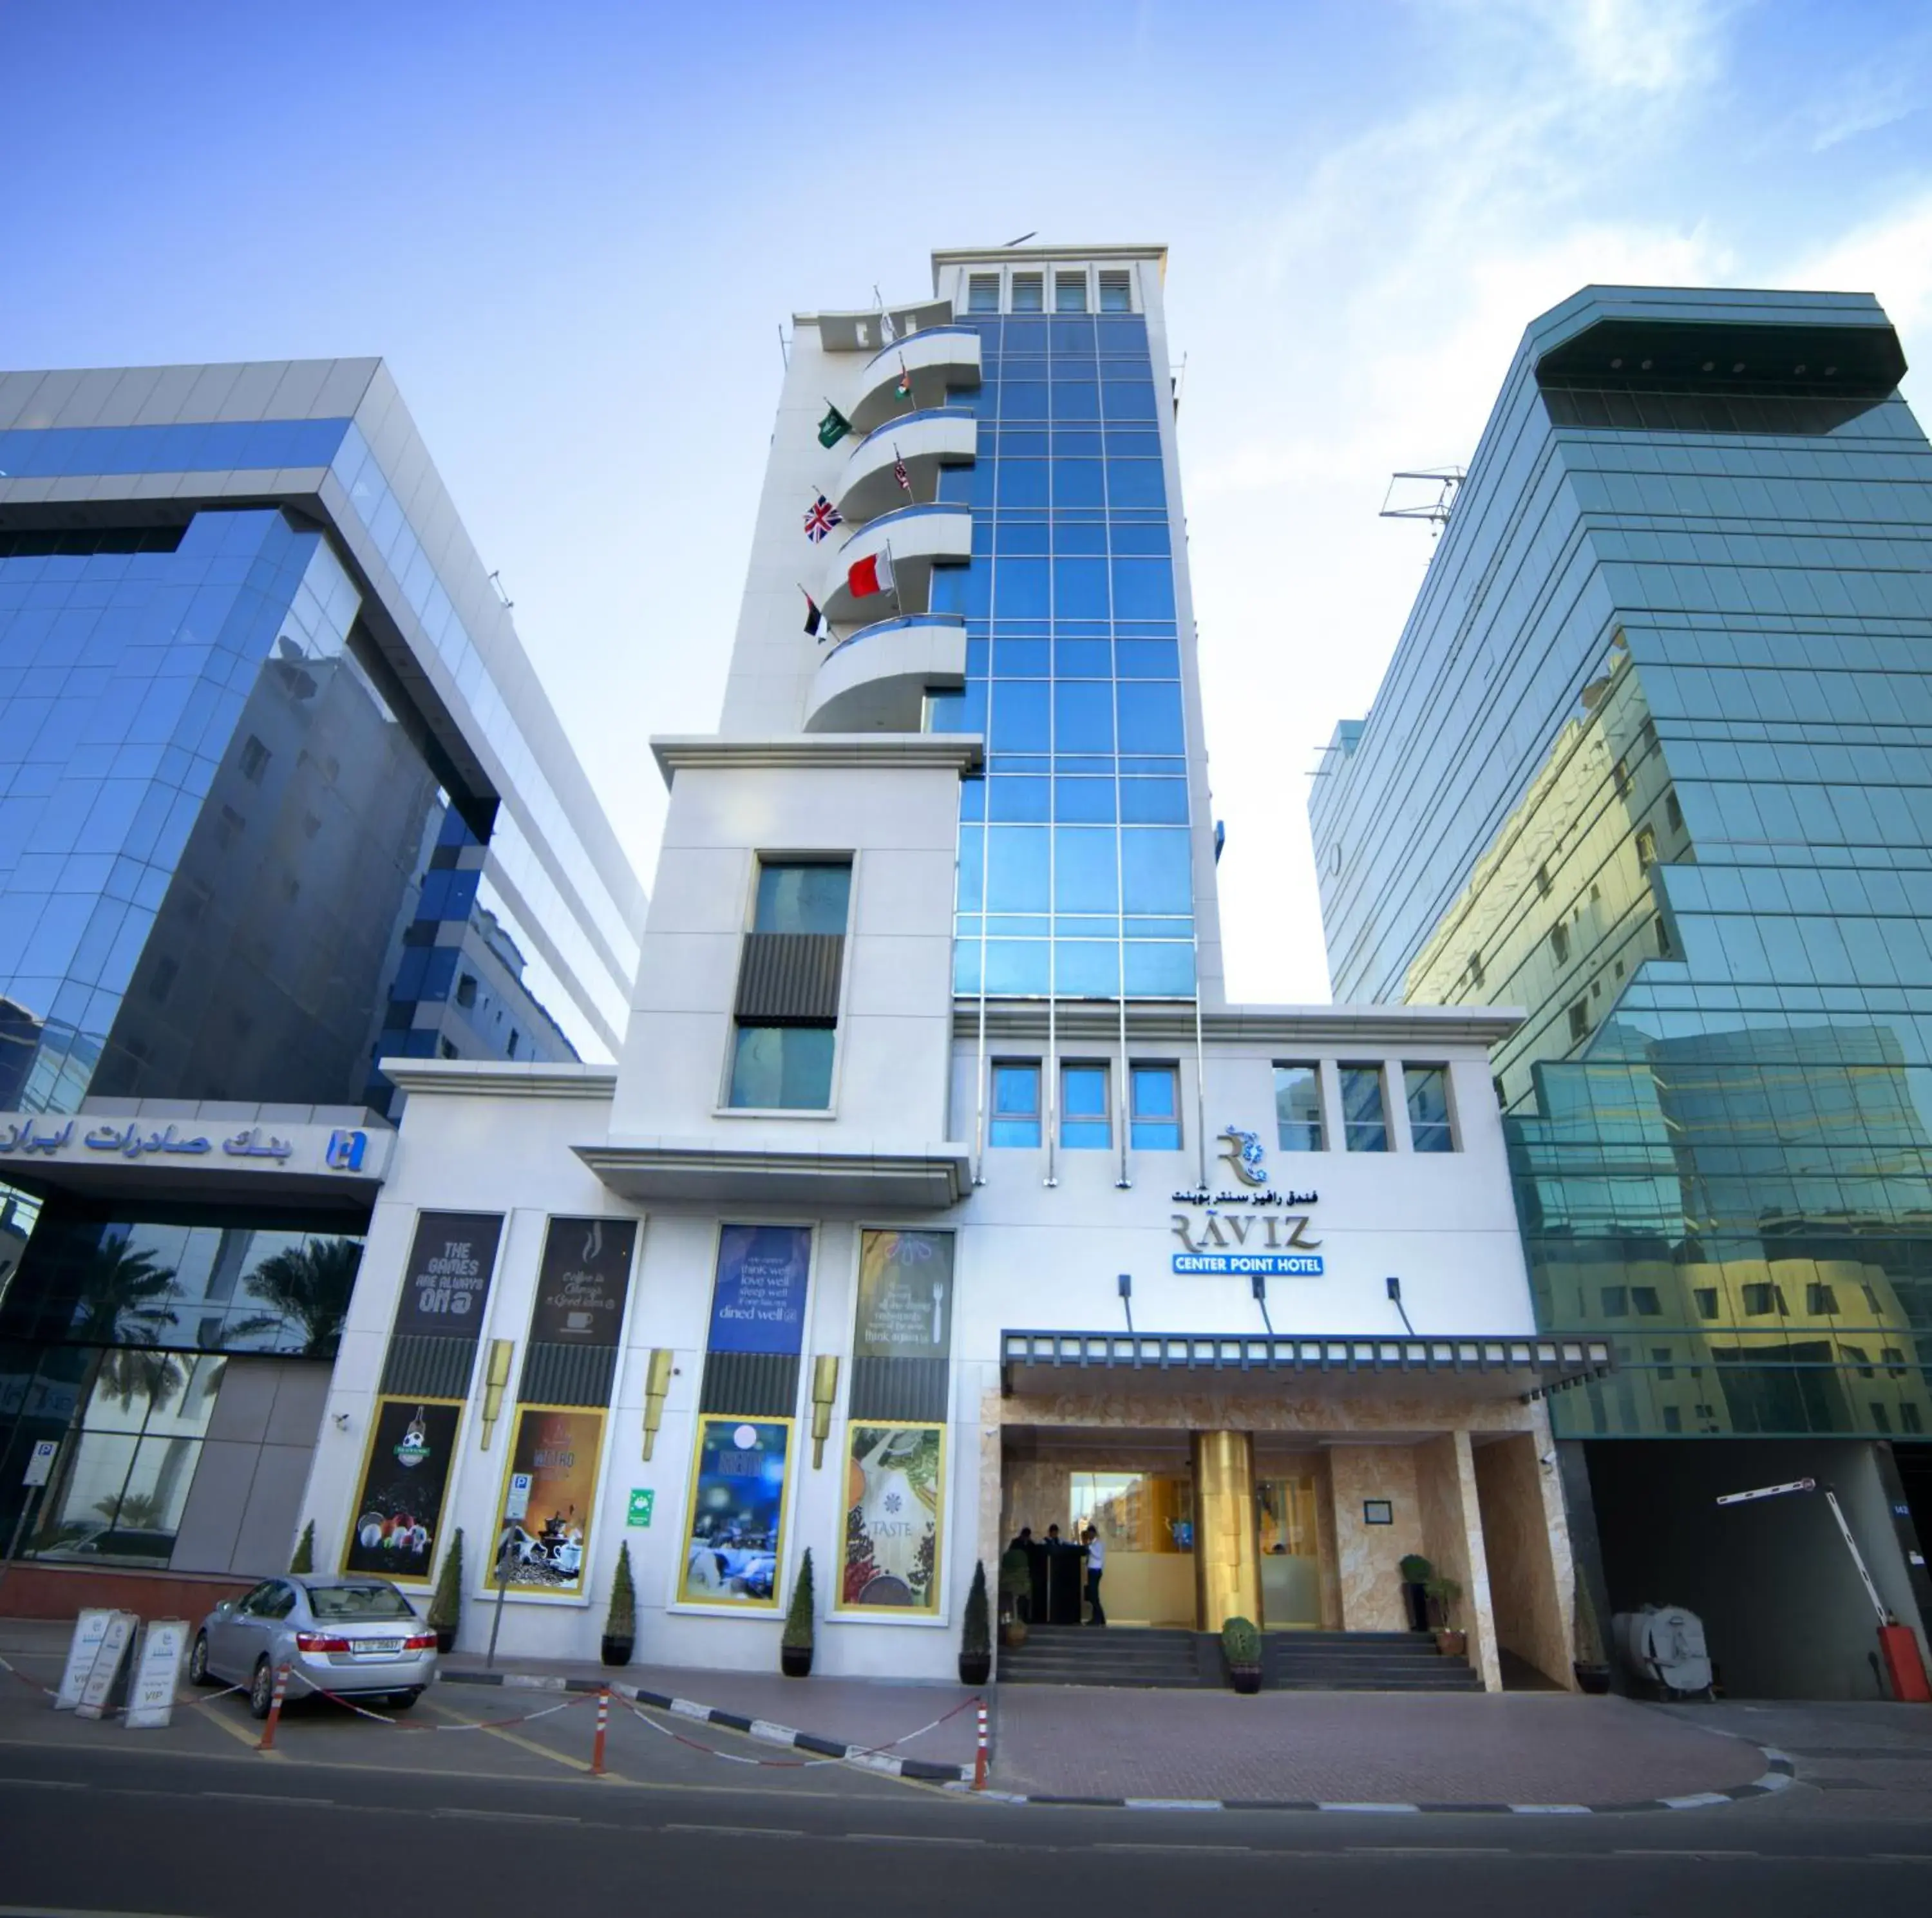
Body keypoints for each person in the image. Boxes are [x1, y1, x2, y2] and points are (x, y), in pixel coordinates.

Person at [1083, 1525, 1107, 1627]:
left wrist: (1090, 1548)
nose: (1089, 1535)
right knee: (1093, 1596)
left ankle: (1101, 1619)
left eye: (1090, 1533)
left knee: (1093, 1596)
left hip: (1095, 1571)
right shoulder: (1091, 1544)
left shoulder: (1098, 1544)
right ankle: (1097, 1619)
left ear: (1093, 1533)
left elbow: (1098, 1556)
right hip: (1091, 1571)